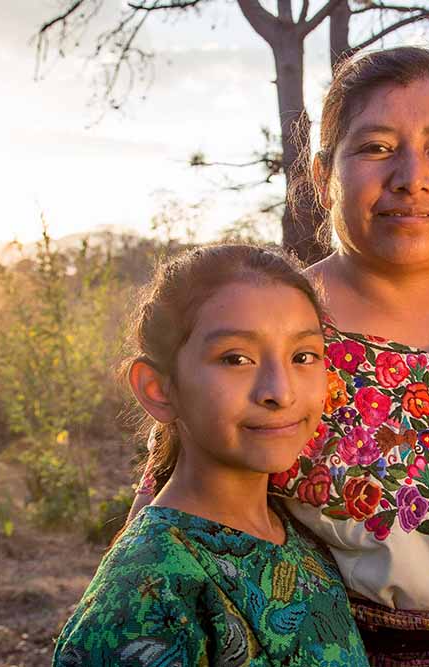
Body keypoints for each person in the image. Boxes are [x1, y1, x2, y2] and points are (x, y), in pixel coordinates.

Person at [135, 46, 429, 666]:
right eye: (377, 147)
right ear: (322, 170)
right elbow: (177, 532)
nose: (412, 177)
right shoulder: (275, 335)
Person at [53, 245, 369, 667]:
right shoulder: (148, 594)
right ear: (158, 389)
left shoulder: (303, 536)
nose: (281, 391)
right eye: (236, 358)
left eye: (303, 356)